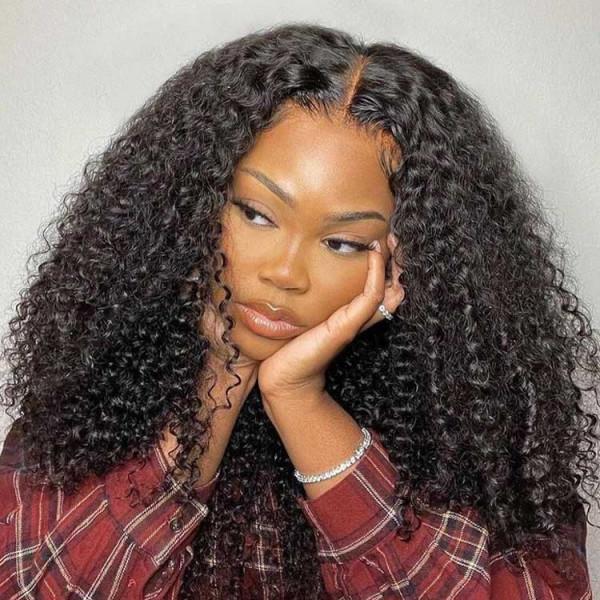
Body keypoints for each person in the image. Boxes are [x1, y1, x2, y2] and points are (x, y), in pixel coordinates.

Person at [0, 22, 597, 599]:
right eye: (257, 214)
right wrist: (223, 374)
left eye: (343, 243)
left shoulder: (489, 450)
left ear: (408, 264)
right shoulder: (80, 415)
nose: (285, 273)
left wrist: (299, 398)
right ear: (192, 203)